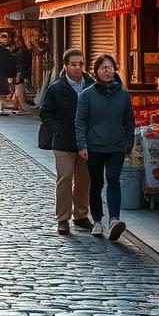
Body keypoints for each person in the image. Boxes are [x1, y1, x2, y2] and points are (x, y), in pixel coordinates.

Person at [75, 54, 134, 241]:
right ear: (96, 72)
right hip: (94, 146)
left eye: (110, 68)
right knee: (97, 183)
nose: (107, 71)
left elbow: (129, 122)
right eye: (103, 68)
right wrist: (82, 145)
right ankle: (98, 221)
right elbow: (80, 122)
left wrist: (128, 143)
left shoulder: (123, 95)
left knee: (113, 179)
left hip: (117, 146)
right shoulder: (87, 94)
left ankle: (114, 220)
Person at [40, 49, 94, 234]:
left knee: (84, 180)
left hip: (86, 143)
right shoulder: (56, 88)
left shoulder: (92, 85)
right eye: (73, 64)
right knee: (65, 179)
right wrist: (56, 130)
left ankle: (81, 215)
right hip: (64, 143)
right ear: (66, 66)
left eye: (80, 64)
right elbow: (45, 112)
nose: (77, 67)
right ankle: (62, 218)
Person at [12, 36, 35, 115]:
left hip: (21, 73)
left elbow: (16, 59)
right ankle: (18, 106)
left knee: (20, 91)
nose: (17, 43)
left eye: (18, 41)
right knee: (18, 91)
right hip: (23, 72)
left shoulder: (22, 51)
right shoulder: (25, 51)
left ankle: (22, 107)